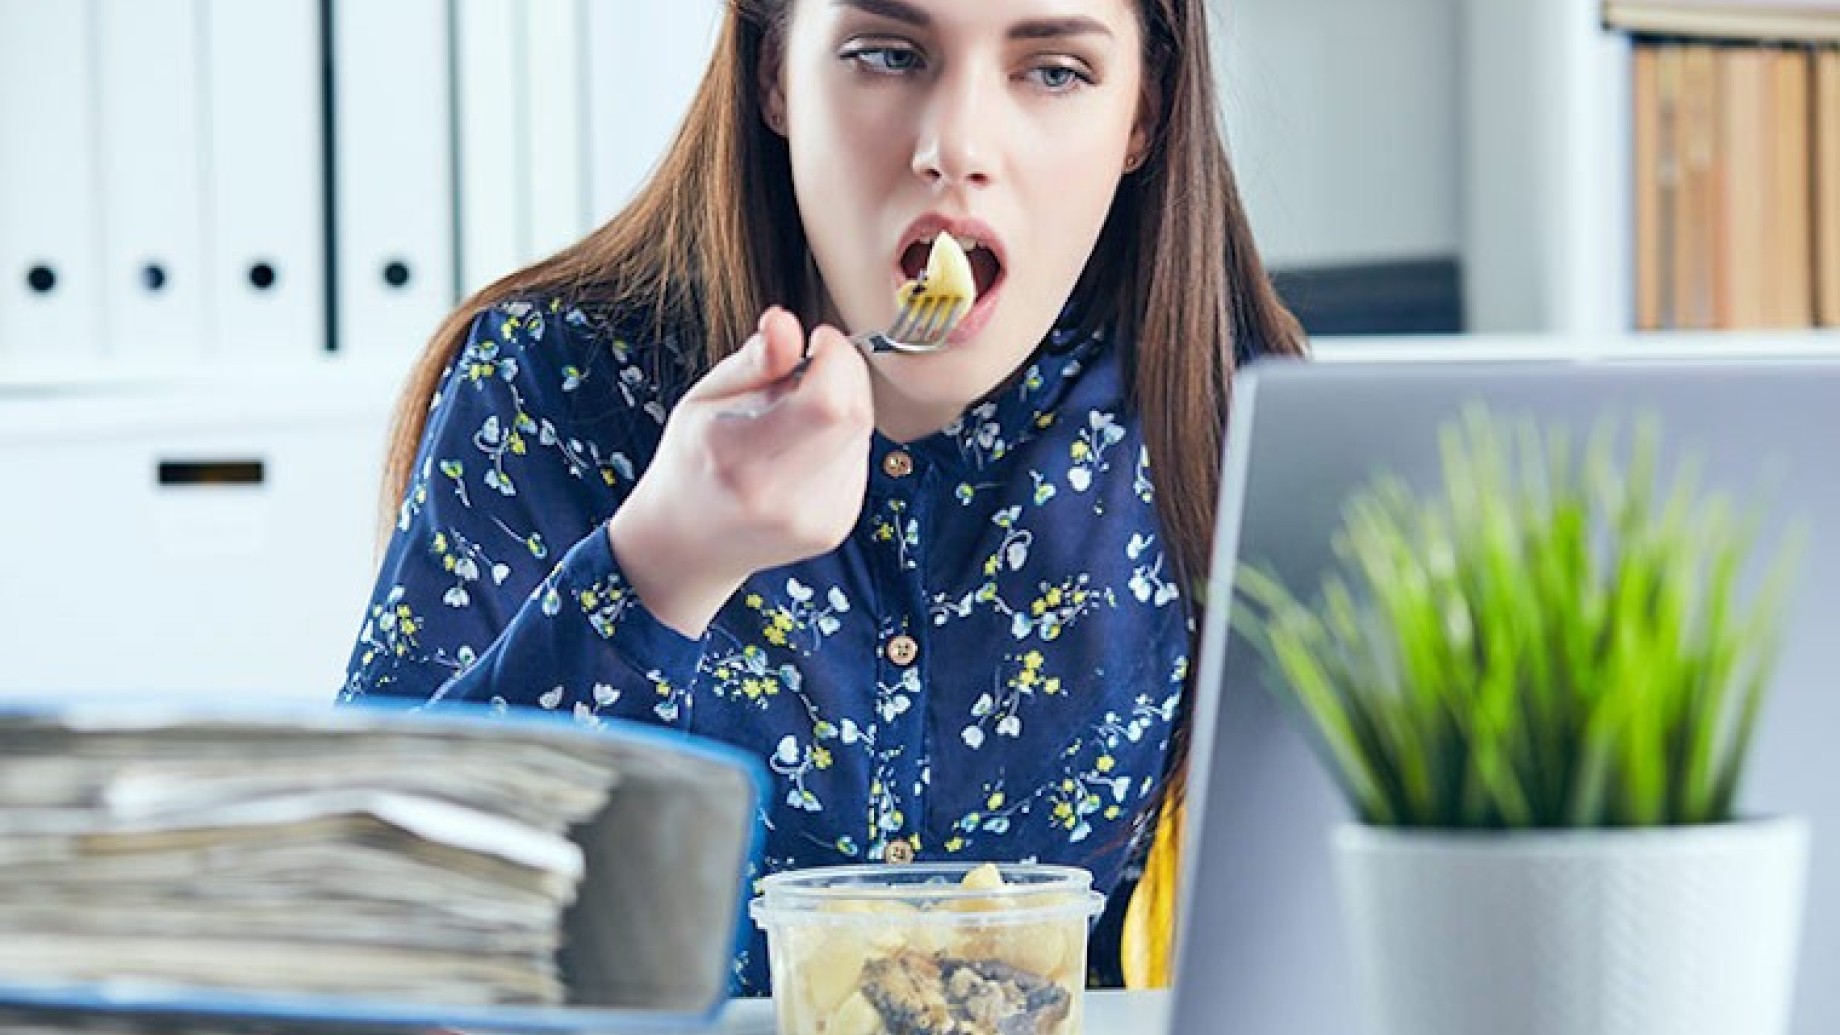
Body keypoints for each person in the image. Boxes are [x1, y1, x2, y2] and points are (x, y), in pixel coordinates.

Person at [341, 0, 1305, 993]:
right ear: (774, 77)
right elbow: (359, 943)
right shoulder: (546, 386)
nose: (956, 147)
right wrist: (662, 565)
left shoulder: (1230, 421)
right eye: (888, 55)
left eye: (1053, 72)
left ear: (1144, 114)